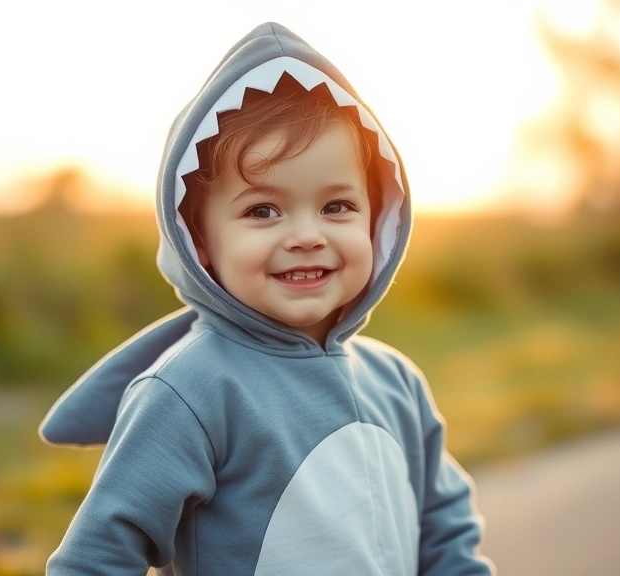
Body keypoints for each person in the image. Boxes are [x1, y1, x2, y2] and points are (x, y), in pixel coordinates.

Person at [38, 22, 495, 575]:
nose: (306, 235)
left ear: (378, 219)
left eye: (337, 207)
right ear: (199, 239)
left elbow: (444, 525)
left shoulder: (396, 382)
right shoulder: (192, 392)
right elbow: (97, 558)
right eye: (263, 210)